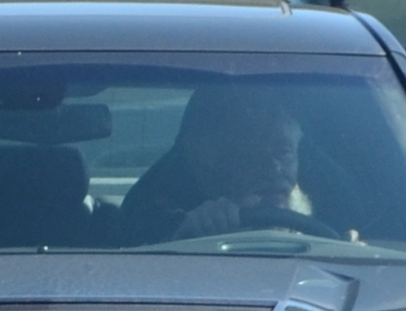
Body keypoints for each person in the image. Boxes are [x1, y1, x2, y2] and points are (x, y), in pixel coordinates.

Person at [116, 84, 307, 244]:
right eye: (252, 155)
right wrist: (187, 238)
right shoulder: (153, 211)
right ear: (207, 160)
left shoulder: (323, 201)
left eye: (283, 152)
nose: (273, 169)